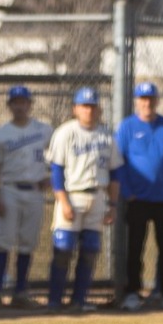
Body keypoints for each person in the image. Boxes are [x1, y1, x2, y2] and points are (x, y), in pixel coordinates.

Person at [46, 86, 122, 312]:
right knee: (63, 249)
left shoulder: (107, 136)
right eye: (84, 106)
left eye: (92, 106)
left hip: (98, 196)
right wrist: (63, 201)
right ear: (75, 109)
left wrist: (113, 205)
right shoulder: (65, 132)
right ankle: (54, 300)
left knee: (90, 250)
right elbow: (56, 170)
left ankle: (78, 300)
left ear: (99, 109)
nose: (89, 110)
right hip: (72, 195)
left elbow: (115, 173)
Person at [116, 82, 163, 311]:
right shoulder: (127, 126)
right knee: (135, 247)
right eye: (143, 99)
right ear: (137, 101)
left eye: (151, 99)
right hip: (137, 199)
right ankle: (132, 292)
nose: (147, 103)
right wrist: (127, 192)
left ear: (157, 101)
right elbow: (119, 162)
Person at [0, 85, 53, 307]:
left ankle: (20, 292)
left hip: (34, 191)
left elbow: (58, 156)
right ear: (9, 105)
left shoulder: (44, 130)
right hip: (10, 190)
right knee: (3, 242)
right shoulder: (1, 133)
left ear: (30, 104)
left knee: (27, 243)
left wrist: (50, 176)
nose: (20, 106)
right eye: (15, 102)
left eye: (23, 102)